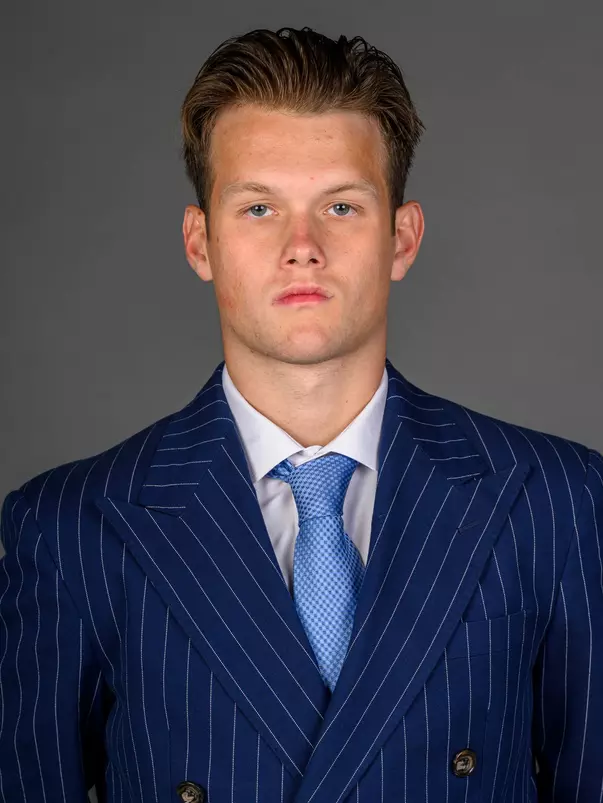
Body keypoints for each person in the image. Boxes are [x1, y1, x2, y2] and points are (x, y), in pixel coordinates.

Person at [0, 25, 601, 803]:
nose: (302, 246)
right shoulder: (72, 529)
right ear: (200, 242)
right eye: (258, 208)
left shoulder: (556, 503)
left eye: (342, 206)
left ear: (401, 238)